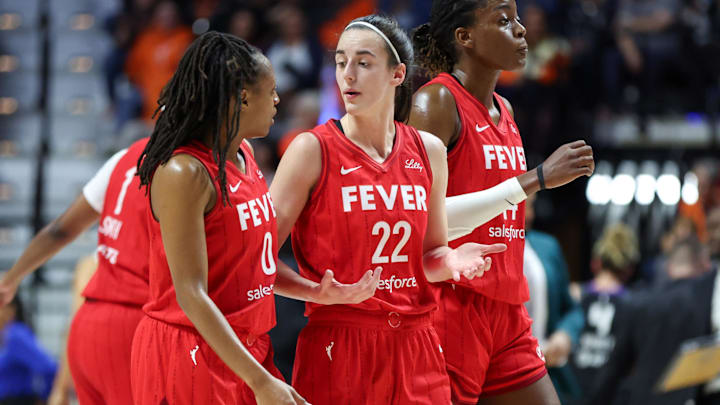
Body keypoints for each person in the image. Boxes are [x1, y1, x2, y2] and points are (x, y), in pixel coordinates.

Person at [269, 14, 505, 405]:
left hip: (418, 342)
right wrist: (318, 293)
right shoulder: (311, 150)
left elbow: (429, 256)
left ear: (397, 74)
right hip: (340, 343)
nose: (348, 75)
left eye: (363, 63)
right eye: (341, 62)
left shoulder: (428, 150)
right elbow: (256, 259)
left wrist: (452, 260)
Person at [131, 31, 372, 405]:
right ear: (243, 97)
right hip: (191, 349)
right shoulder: (184, 172)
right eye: (270, 90)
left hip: (247, 347)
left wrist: (315, 291)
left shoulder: (244, 153)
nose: (277, 100)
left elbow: (251, 265)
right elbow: (191, 295)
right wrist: (260, 381)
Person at [409, 1, 595, 403]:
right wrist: (538, 178)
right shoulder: (435, 103)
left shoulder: (505, 109)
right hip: (451, 305)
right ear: (465, 37)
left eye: (518, 17)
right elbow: (418, 217)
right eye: (504, 20)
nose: (522, 29)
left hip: (508, 308)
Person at [0, 134, 150, 405]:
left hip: (89, 329)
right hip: (132, 329)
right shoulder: (185, 168)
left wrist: (10, 280)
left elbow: (59, 230)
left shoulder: (121, 161)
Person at [569, 223, 639, 404]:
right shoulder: (634, 305)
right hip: (610, 395)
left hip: (571, 391)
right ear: (629, 268)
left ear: (596, 262)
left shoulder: (574, 294)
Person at [524, 194, 584, 403]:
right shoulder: (478, 248)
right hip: (501, 375)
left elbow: (572, 309)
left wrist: (565, 335)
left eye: (532, 205)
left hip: (549, 369)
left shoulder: (547, 246)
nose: (530, 214)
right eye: (524, 205)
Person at [0, 295, 57, 405]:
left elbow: (49, 367)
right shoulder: (5, 334)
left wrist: (45, 397)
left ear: (11, 309)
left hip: (17, 400)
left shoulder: (16, 335)